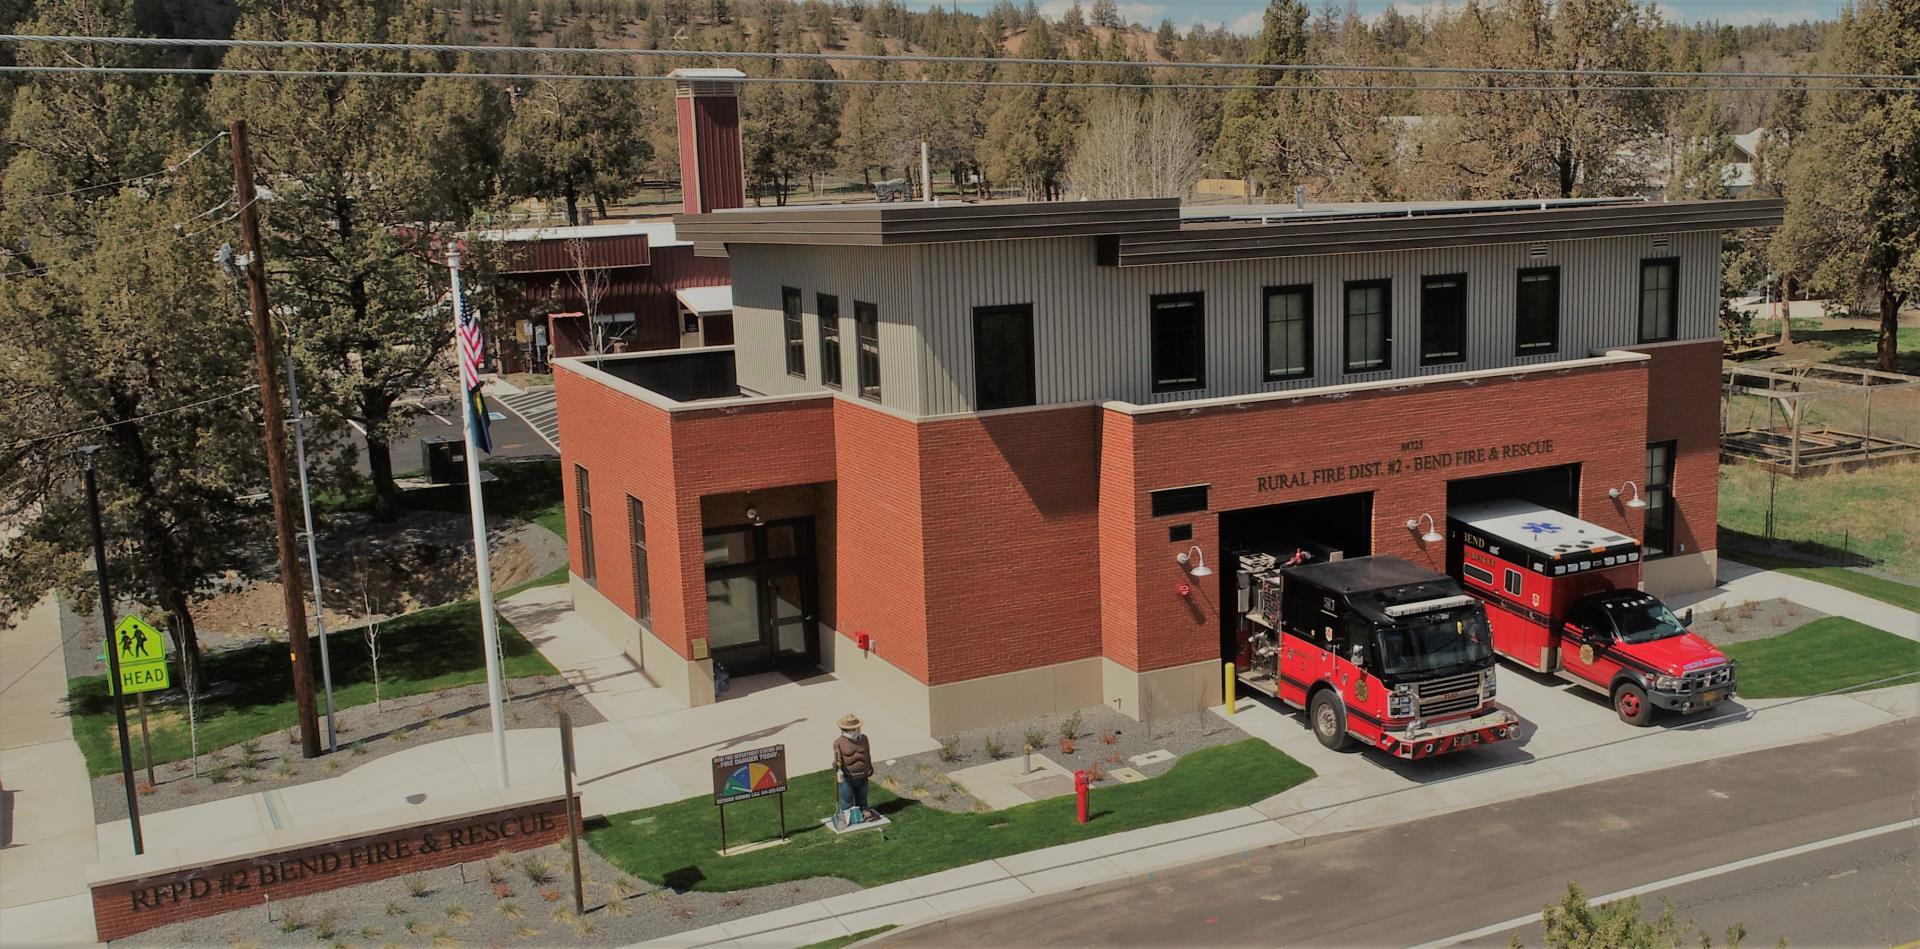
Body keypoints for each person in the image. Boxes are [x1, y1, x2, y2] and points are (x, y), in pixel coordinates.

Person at [833, 713, 874, 821]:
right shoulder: (838, 743)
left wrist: (870, 766)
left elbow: (867, 754)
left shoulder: (864, 739)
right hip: (847, 778)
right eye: (851, 729)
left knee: (862, 798)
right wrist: (837, 765)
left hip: (863, 776)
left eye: (856, 728)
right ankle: (847, 816)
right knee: (847, 799)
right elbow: (838, 759)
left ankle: (864, 811)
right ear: (844, 729)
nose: (854, 731)